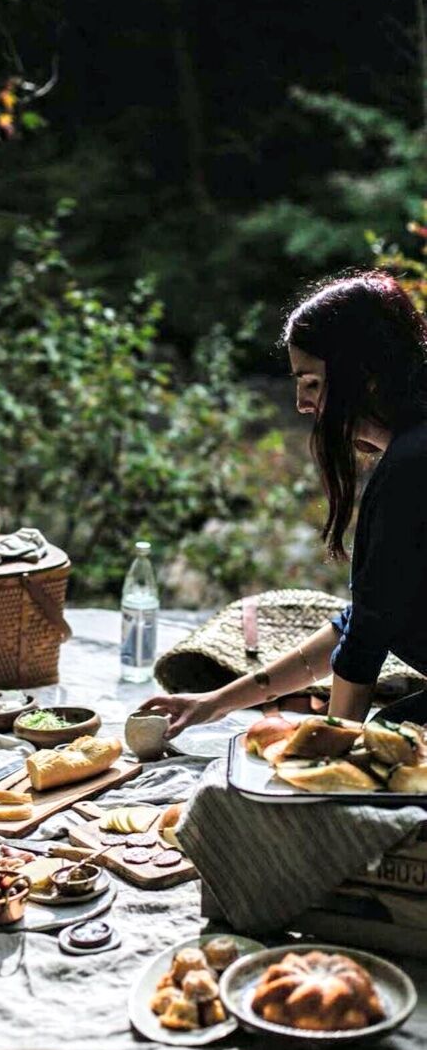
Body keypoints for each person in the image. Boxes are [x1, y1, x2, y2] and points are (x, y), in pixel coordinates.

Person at [142, 270, 427, 739]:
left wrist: (332, 760)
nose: (300, 404)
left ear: (367, 377)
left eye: (312, 383)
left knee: (384, 748)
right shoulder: (412, 453)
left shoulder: (411, 468)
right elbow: (361, 620)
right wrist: (216, 702)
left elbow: (365, 644)